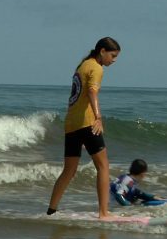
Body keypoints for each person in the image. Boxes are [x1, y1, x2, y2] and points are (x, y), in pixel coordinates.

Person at [47, 37, 120, 218]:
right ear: (102, 51)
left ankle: (51, 210)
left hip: (71, 124)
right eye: (112, 55)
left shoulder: (82, 66)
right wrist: (98, 117)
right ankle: (104, 213)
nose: (114, 60)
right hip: (87, 122)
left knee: (69, 170)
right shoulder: (96, 68)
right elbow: (91, 92)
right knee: (103, 166)